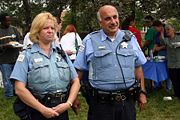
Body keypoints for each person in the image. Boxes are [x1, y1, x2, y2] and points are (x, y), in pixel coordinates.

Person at [73, 5, 147, 120]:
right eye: (108, 19)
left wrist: (142, 92)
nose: (113, 22)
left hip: (127, 103)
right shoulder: (90, 40)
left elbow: (138, 67)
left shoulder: (130, 38)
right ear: (100, 22)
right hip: (101, 106)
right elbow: (78, 70)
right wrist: (74, 97)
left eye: (115, 17)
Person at [10, 12, 80, 120]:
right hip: (37, 110)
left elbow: (75, 81)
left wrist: (68, 103)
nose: (50, 31)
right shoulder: (27, 55)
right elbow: (19, 89)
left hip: (62, 109)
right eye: (45, 28)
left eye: (52, 28)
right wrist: (42, 109)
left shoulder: (61, 54)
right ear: (37, 31)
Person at [0, 13, 23, 99]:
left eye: (10, 20)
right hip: (4, 60)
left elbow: (20, 38)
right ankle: (9, 95)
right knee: (7, 79)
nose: (9, 22)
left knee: (15, 77)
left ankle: (15, 92)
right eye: (7, 21)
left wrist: (19, 43)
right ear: (2, 21)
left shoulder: (13, 29)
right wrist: (4, 46)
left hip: (15, 58)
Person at [160, 24, 180, 98]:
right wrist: (162, 32)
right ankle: (176, 93)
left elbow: (170, 45)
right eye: (166, 29)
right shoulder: (167, 39)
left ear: (173, 30)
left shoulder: (178, 38)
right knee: (174, 79)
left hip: (179, 62)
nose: (167, 31)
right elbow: (162, 41)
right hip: (171, 63)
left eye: (168, 29)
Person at [152, 20, 172, 90]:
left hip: (167, 53)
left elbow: (168, 44)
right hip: (160, 54)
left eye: (155, 28)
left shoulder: (167, 33)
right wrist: (153, 49)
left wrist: (159, 48)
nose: (154, 30)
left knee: (168, 70)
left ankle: (168, 87)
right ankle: (159, 85)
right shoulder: (157, 34)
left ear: (160, 27)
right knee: (159, 69)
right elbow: (156, 43)